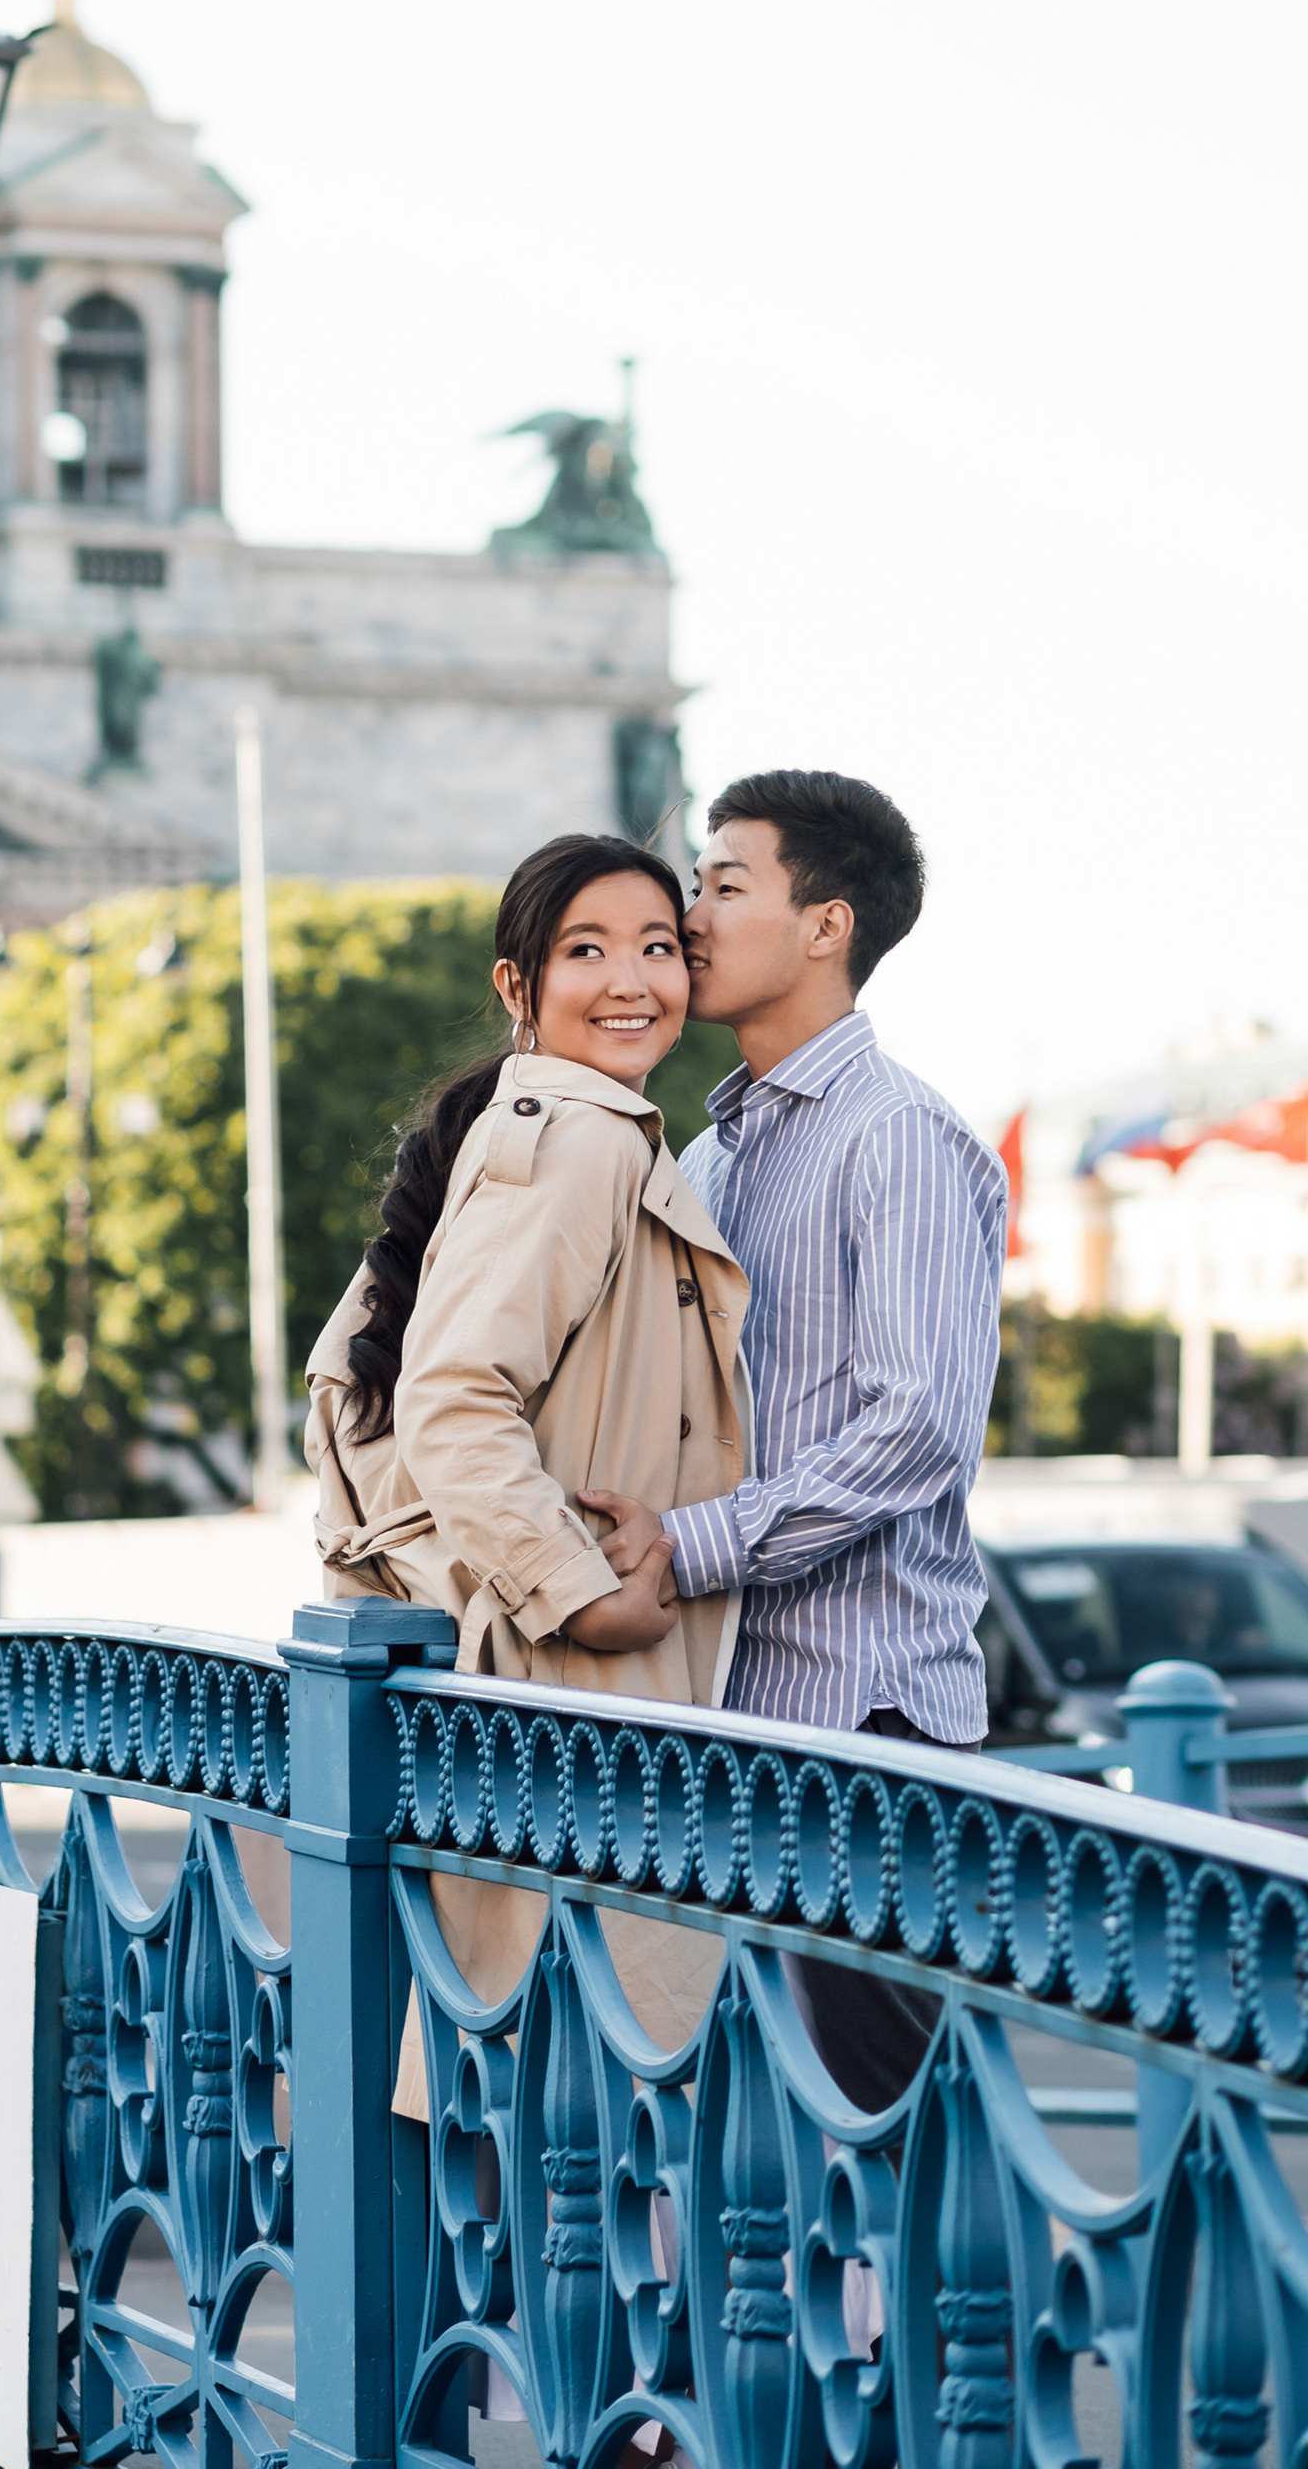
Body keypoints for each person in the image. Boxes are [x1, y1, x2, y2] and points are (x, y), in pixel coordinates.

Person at [577, 767, 1005, 2116]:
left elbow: (916, 1426)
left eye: (724, 884)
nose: (690, 917)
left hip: (861, 1727)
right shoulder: (708, 1159)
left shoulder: (901, 1139)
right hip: (716, 1716)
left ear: (826, 925)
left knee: (882, 2142)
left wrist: (690, 1545)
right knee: (732, 2141)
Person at [305, 830, 749, 2053]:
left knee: (504, 2080)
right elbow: (453, 1396)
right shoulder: (580, 1136)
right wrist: (579, 1595)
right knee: (594, 2078)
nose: (631, 982)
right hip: (569, 1688)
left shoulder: (538, 1126)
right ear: (518, 984)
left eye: (657, 948)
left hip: (508, 1690)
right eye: (585, 951)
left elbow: (370, 1403)